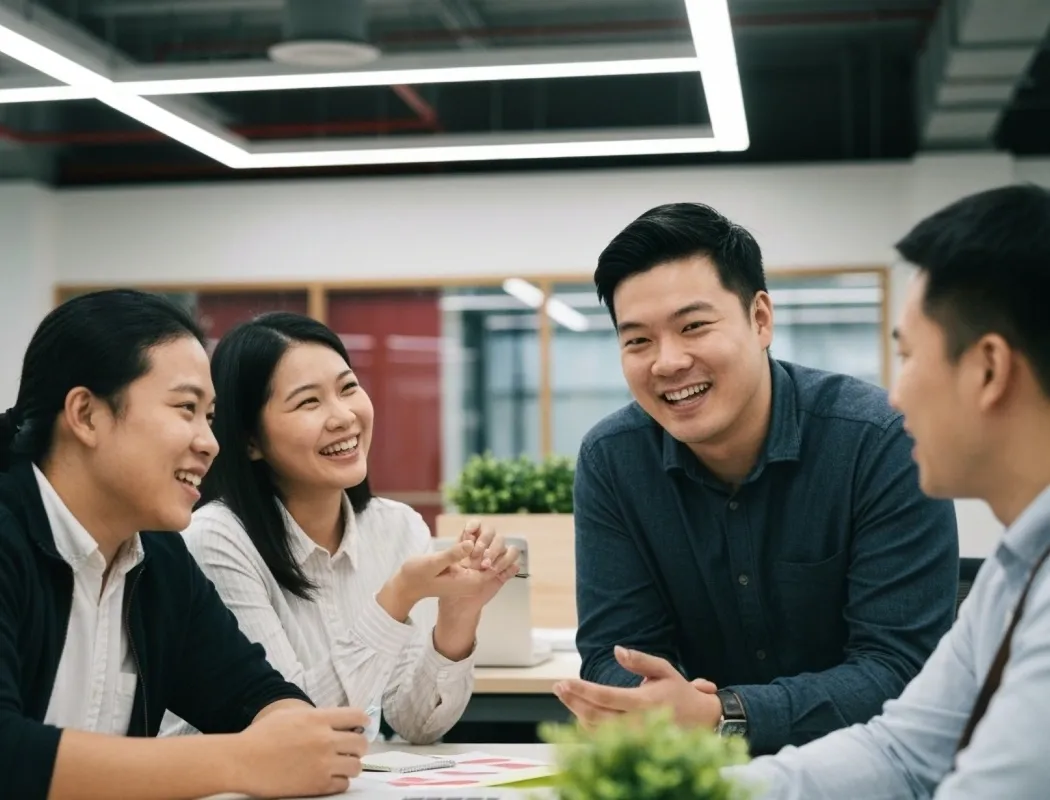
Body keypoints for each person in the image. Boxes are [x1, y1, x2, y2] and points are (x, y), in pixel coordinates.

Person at [553, 202, 960, 755]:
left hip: (868, 773)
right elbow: (614, 653)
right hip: (695, 777)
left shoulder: (877, 441)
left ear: (760, 319)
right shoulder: (613, 460)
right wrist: (654, 702)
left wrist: (723, 715)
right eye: (638, 340)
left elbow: (900, 668)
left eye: (693, 326)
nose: (667, 362)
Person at [726, 183, 1050, 797]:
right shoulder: (1019, 567)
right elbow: (903, 752)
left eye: (909, 358)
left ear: (988, 370)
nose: (895, 397)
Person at [0, 290, 371, 800]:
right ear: (86, 415)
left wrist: (292, 732)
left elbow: (255, 695)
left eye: (211, 417)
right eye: (185, 409)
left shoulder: (158, 557)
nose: (209, 443)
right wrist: (242, 760)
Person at [161, 312, 519, 744]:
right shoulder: (215, 541)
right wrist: (396, 598)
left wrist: (459, 617)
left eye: (348, 387)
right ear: (251, 440)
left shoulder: (397, 527)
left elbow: (416, 723)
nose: (343, 416)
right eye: (309, 402)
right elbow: (293, 733)